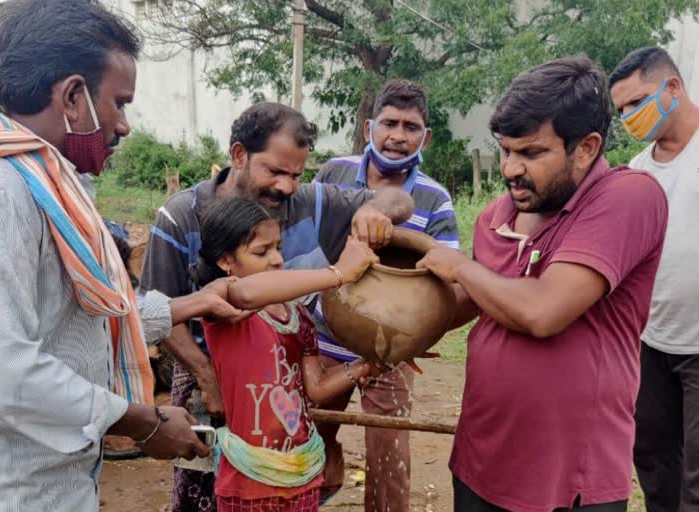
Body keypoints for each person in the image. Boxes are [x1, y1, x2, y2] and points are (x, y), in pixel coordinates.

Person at [0, 1, 233, 509]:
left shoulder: (51, 188)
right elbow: (2, 366)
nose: (124, 126)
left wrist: (195, 302)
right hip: (1, 490)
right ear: (74, 96)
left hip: (55, 481)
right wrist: (141, 422)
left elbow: (78, 323)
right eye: (120, 102)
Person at [417, 56, 668, 511]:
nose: (511, 168)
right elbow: (477, 299)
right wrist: (401, 321)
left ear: (587, 147)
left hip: (566, 477)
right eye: (506, 150)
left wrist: (459, 267)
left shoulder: (629, 197)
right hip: (481, 460)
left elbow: (542, 311)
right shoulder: (498, 214)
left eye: (530, 153)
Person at [140, 102, 414, 512]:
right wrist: (209, 378)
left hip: (280, 392)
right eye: (274, 171)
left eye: (296, 174)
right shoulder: (181, 216)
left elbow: (397, 196)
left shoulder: (314, 203)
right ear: (239, 155)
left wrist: (375, 211)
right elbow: (158, 312)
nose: (286, 186)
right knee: (205, 493)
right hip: (208, 377)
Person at [311, 78, 459, 510]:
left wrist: (421, 335)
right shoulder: (333, 172)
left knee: (389, 452)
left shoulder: (436, 198)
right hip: (321, 335)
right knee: (312, 432)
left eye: (411, 127)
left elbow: (449, 275)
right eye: (389, 123)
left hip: (395, 346)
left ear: (425, 136)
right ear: (369, 126)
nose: (398, 135)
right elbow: (300, 244)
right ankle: (322, 473)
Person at [190, 196, 388, 511]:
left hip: (302, 471)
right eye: (261, 251)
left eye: (278, 247)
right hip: (249, 480)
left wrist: (363, 367)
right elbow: (248, 293)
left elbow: (316, 388)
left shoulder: (298, 316)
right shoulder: (222, 305)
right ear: (226, 261)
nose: (278, 259)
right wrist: (338, 272)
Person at [609, 47, 699, 512]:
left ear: (673, 88)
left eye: (637, 101)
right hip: (650, 342)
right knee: (653, 461)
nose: (629, 116)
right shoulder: (637, 173)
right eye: (622, 109)